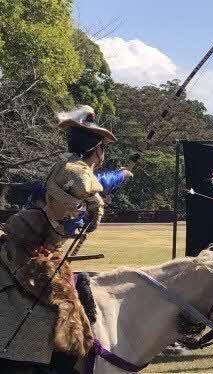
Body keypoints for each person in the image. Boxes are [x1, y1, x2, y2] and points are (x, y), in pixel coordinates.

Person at [0, 105, 132, 371]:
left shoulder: (68, 167)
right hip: (29, 250)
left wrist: (118, 176)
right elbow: (89, 184)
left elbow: (94, 182)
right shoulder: (75, 171)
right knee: (60, 312)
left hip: (38, 246)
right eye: (102, 148)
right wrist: (101, 194)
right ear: (97, 149)